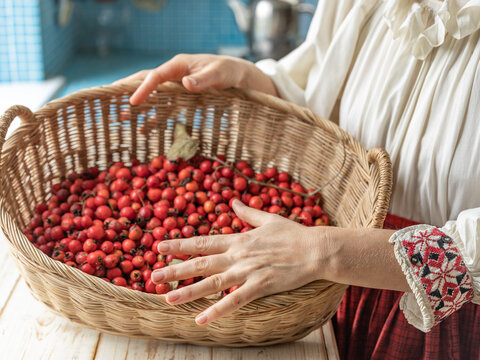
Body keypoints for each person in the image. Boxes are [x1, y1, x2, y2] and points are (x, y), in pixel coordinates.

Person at [116, 0, 480, 358]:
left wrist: (321, 249)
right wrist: (249, 79)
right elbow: (322, 99)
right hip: (330, 286)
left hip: (448, 316)